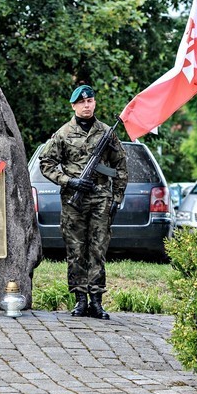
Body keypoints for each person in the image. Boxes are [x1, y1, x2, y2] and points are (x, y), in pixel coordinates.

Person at [39, 84, 128, 320]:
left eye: (90, 101)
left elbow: (120, 166)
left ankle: (96, 301)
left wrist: (117, 196)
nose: (86, 106)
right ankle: (80, 300)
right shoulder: (64, 133)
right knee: (76, 250)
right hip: (73, 202)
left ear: (94, 103)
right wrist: (69, 181)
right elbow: (46, 163)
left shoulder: (107, 133)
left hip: (100, 199)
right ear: (74, 106)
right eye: (82, 102)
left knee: (98, 249)